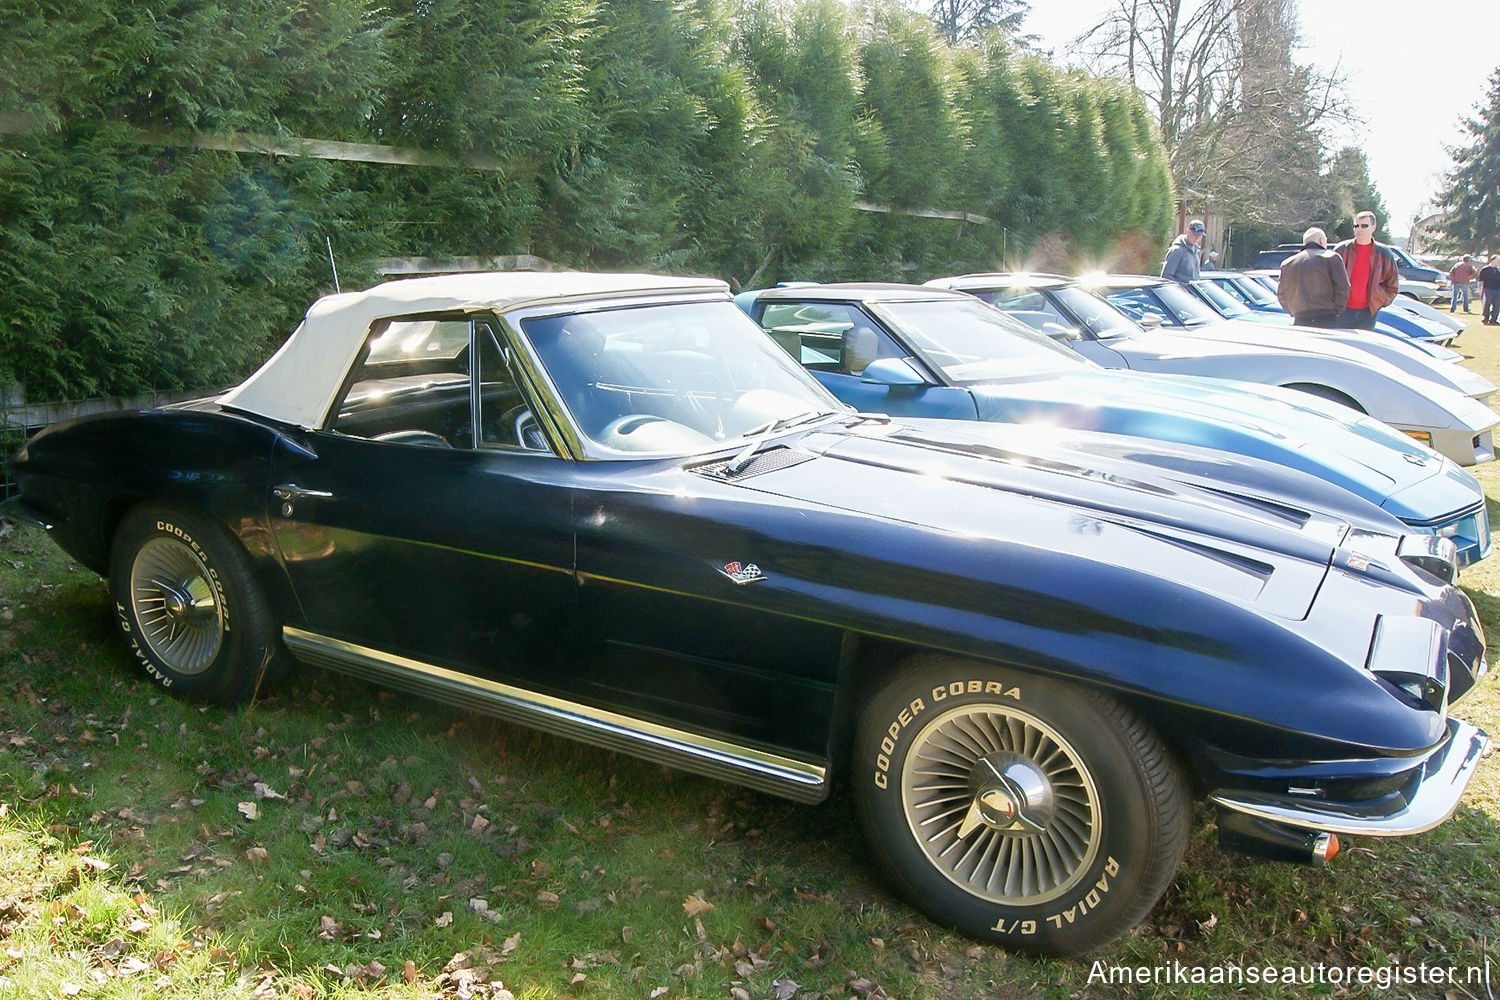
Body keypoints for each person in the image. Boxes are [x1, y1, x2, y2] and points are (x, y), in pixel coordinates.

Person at [1333, 210, 1400, 329]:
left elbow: (1392, 284)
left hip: (1368, 312)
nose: (1359, 229)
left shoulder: (1384, 253)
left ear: (1373, 227)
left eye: (1364, 226)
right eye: (1356, 226)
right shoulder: (1341, 250)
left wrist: (1380, 301)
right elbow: (1327, 278)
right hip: (1342, 310)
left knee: (1363, 347)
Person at [1275, 227, 1349, 329]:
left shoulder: (1287, 263)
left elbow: (1281, 294)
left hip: (1300, 318)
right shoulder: (1331, 257)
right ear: (1321, 240)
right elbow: (1343, 287)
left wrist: (1293, 311)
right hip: (1327, 316)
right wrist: (1338, 309)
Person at [1480, 255, 1500, 325]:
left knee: (1497, 305)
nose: (1499, 262)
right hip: (1488, 289)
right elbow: (1481, 281)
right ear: (1493, 260)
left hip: (1497, 290)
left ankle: (1493, 320)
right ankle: (1486, 319)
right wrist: (1480, 290)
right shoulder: (1485, 269)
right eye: (1498, 260)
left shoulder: (1498, 270)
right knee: (1487, 304)